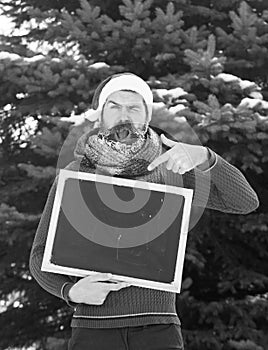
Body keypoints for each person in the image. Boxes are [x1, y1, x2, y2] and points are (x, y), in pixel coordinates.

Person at [29, 73, 259, 350]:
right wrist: (70, 291)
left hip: (157, 328)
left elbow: (245, 202)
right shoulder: (75, 175)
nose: (124, 114)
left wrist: (206, 157)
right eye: (114, 105)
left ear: (146, 118)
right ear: (100, 116)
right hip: (92, 330)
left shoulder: (170, 169)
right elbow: (40, 254)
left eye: (134, 107)